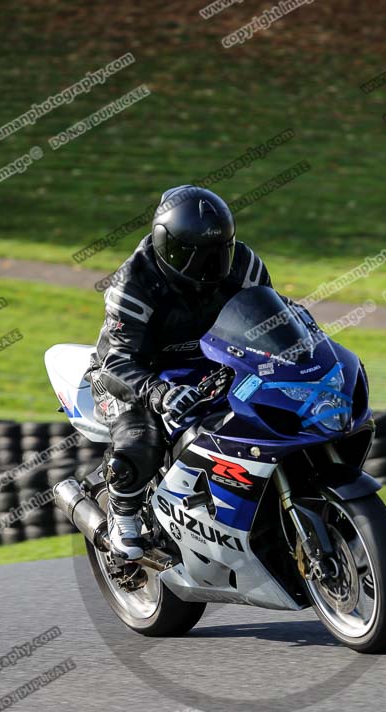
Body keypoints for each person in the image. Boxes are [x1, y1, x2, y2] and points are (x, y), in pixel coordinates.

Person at [89, 185, 274, 560]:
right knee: (142, 435)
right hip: (135, 374)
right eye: (193, 257)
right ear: (166, 247)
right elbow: (118, 361)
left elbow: (272, 321)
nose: (208, 268)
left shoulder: (246, 266)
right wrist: (159, 392)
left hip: (212, 364)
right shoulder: (134, 283)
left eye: (218, 253)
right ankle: (122, 515)